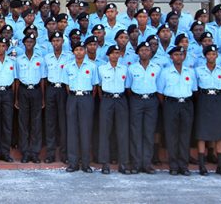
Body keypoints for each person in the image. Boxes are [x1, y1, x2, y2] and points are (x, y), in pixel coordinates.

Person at [157, 45, 197, 176]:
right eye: (175, 55)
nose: (178, 57)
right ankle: (173, 165)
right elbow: (160, 92)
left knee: (185, 135)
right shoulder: (165, 72)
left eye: (180, 55)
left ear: (184, 56)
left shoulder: (190, 72)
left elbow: (194, 90)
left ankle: (183, 165)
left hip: (186, 104)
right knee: (171, 135)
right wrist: (168, 104)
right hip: (171, 104)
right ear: (171, 57)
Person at [62, 37, 100, 173]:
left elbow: (95, 87)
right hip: (72, 98)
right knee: (72, 131)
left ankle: (85, 163)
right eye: (76, 50)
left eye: (81, 49)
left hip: (86, 98)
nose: (79, 52)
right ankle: (73, 163)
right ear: (73, 52)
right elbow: (66, 86)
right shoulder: (68, 67)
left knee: (85, 130)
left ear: (85, 51)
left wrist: (86, 97)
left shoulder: (92, 66)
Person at [126, 41, 161, 174]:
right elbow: (128, 88)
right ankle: (136, 163)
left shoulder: (156, 68)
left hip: (151, 101)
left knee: (149, 132)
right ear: (138, 53)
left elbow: (159, 87)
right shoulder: (132, 68)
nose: (145, 52)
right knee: (136, 132)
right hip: (137, 100)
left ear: (151, 52)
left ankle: (146, 163)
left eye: (147, 50)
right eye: (142, 50)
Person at [194, 44, 221, 176]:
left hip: (218, 100)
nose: (211, 56)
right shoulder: (198, 70)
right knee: (202, 132)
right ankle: (202, 165)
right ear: (205, 56)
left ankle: (220, 165)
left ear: (217, 56)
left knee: (220, 132)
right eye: (209, 54)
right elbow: (195, 89)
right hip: (204, 99)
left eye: (214, 54)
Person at [97, 45, 130, 174]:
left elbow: (127, 87)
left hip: (121, 99)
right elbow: (98, 87)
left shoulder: (124, 69)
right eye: (113, 53)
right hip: (107, 99)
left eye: (117, 53)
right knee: (105, 131)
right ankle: (105, 163)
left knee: (122, 132)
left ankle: (123, 163)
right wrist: (105, 98)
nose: (115, 55)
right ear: (108, 55)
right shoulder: (101, 69)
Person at [15, 33, 46, 163]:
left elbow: (43, 79)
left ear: (34, 44)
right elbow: (16, 80)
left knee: (36, 123)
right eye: (27, 42)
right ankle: (25, 152)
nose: (29, 44)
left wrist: (43, 98)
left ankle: (35, 152)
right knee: (23, 122)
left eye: (31, 42)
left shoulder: (40, 59)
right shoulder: (19, 59)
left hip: (36, 91)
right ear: (24, 44)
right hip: (23, 90)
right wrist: (16, 98)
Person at [44, 31, 71, 163]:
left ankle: (64, 154)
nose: (56, 43)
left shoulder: (69, 57)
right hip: (50, 89)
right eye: (54, 41)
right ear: (51, 43)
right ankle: (50, 154)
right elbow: (44, 77)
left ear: (63, 41)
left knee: (63, 123)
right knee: (50, 123)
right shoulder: (47, 57)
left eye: (58, 40)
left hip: (63, 91)